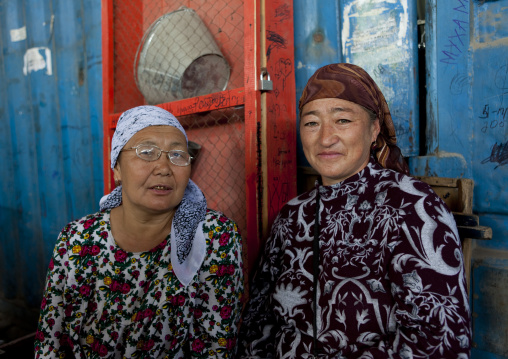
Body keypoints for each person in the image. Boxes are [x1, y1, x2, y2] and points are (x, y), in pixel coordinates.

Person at [238, 63, 471, 358]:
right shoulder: (292, 216)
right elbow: (259, 324)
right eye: (311, 123)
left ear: (374, 129)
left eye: (343, 120)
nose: (325, 138)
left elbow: (439, 341)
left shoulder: (412, 208)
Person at [34, 105, 244, 358]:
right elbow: (50, 340)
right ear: (117, 168)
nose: (164, 168)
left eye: (177, 155)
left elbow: (216, 346)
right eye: (147, 152)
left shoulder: (215, 236)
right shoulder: (77, 238)